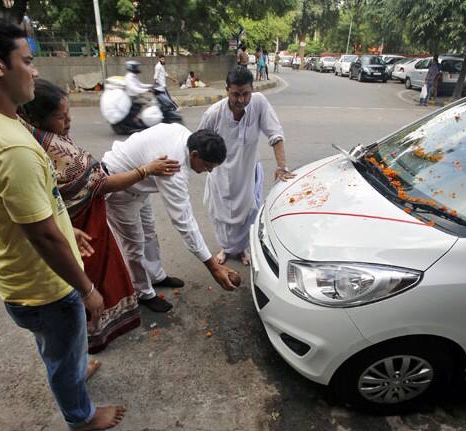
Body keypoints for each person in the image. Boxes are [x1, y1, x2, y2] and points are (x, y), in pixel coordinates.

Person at [0, 9, 124, 429]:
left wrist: (62, 222)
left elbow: (14, 208)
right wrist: (87, 289)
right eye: (27, 60)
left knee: (56, 346)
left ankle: (72, 368)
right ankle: (81, 417)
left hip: (16, 279)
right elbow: (44, 239)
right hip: (46, 287)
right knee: (61, 348)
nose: (35, 72)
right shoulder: (11, 147)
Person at [19, 79, 181, 352]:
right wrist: (146, 170)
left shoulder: (46, 137)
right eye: (61, 117)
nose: (69, 120)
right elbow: (102, 183)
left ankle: (103, 327)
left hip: (87, 218)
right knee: (94, 278)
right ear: (37, 118)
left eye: (68, 113)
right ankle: (91, 338)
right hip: (78, 225)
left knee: (121, 257)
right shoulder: (45, 149)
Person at [103, 124, 239, 312]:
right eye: (208, 166)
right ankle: (143, 292)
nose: (209, 171)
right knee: (134, 245)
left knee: (149, 233)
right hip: (120, 187)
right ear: (194, 155)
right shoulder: (174, 167)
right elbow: (184, 222)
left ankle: (156, 276)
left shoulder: (186, 135)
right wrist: (213, 267)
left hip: (140, 186)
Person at [198, 66, 295, 266]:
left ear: (252, 90)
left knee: (248, 214)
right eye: (236, 94)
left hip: (249, 172)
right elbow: (198, 143)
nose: (241, 100)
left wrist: (282, 166)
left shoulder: (259, 102)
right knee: (222, 215)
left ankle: (241, 248)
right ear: (227, 91)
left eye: (245, 94)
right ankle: (225, 248)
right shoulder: (213, 114)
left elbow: (275, 134)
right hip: (221, 174)